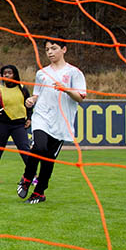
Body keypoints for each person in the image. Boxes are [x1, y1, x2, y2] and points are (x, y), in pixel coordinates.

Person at [17, 36, 86, 204]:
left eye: (53, 48)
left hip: (62, 121)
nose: (50, 52)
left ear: (64, 49)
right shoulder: (42, 73)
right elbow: (37, 94)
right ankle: (27, 178)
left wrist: (67, 90)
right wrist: (31, 101)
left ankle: (39, 192)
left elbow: (80, 98)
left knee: (48, 158)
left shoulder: (74, 73)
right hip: (42, 116)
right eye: (47, 49)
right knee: (39, 147)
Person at [0, 65, 32, 184]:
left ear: (15, 74)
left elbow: (29, 105)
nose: (6, 75)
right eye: (4, 73)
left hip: (19, 124)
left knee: (24, 149)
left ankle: (33, 176)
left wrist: (29, 118)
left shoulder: (23, 89)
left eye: (9, 73)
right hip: (2, 124)